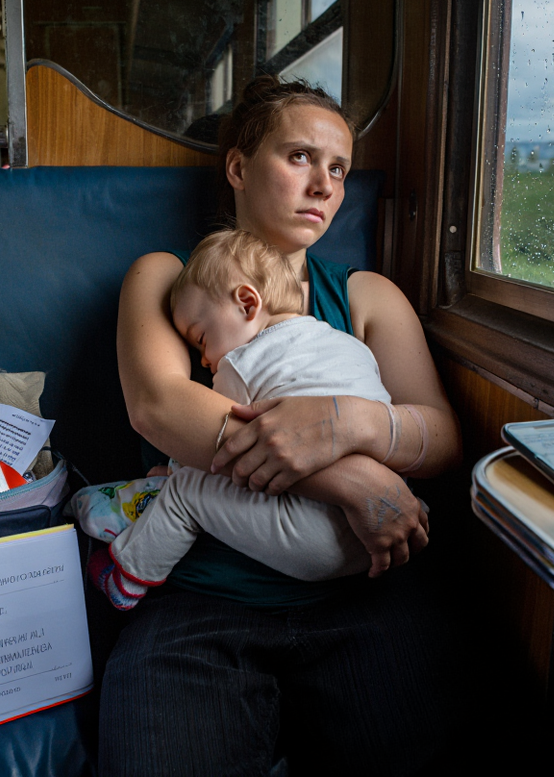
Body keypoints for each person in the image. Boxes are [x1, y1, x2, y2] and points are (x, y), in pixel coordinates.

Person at [101, 75, 463, 775]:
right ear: (238, 167)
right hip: (206, 597)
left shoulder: (365, 296)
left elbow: (442, 437)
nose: (324, 185)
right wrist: (355, 481)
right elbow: (161, 407)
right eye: (300, 157)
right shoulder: (167, 278)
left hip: (360, 587)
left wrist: (350, 421)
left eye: (339, 169)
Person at [91, 228, 414, 610]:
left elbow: (216, 450)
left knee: (183, 492)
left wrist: (175, 470)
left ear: (247, 303)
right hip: (387, 529)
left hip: (316, 542)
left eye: (201, 338)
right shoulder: (352, 346)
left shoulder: (241, 366)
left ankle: (128, 574)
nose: (205, 360)